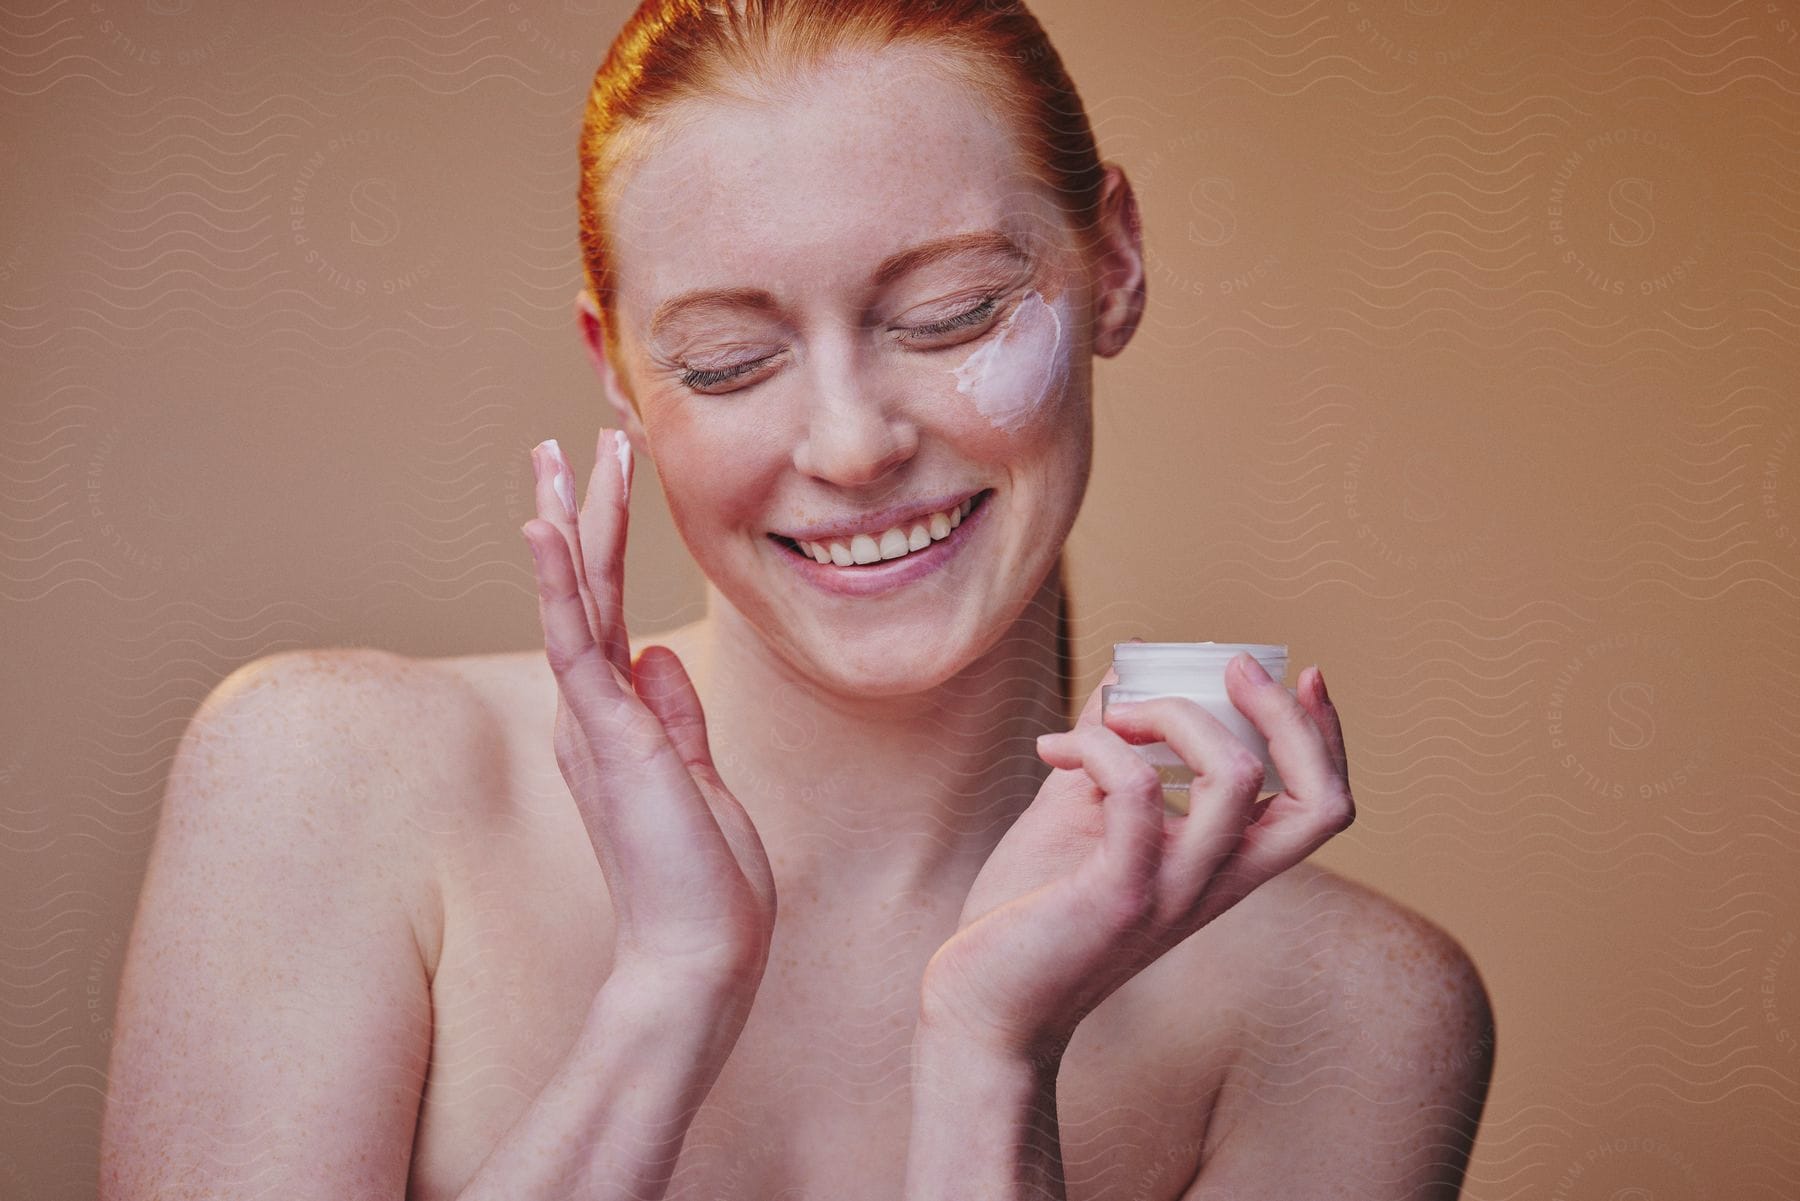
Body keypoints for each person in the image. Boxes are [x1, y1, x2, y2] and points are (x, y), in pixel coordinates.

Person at [98, 1, 1494, 1198]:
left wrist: (989, 1061)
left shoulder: (1347, 1011)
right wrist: (668, 999)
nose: (849, 444)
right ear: (619, 367)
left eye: (950, 313)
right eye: (724, 361)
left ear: (1113, 263)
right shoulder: (327, 780)